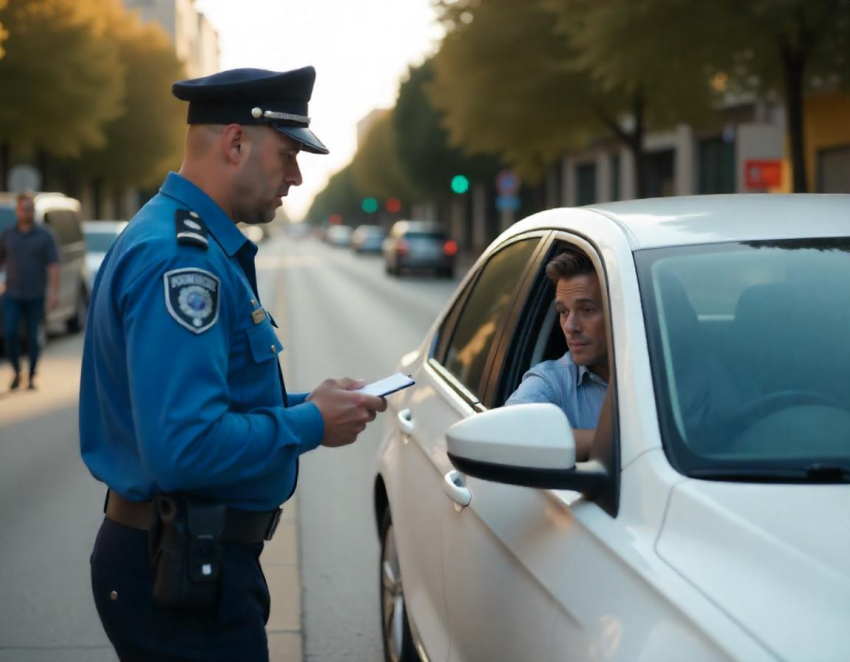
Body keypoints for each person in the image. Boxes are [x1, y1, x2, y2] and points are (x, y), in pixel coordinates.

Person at [79, 66, 387, 662]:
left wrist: (313, 405)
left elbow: (206, 409)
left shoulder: (184, 239)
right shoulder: (180, 260)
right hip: (178, 570)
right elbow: (185, 447)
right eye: (287, 154)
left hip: (188, 560)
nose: (297, 176)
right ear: (236, 142)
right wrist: (310, 425)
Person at [506, 250, 608, 461]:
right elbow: (508, 436)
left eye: (586, 310)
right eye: (563, 312)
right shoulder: (551, 381)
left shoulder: (674, 379)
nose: (570, 327)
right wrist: (618, 443)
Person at [0, 192, 60, 391]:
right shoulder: (8, 234)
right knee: (9, 332)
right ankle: (17, 370)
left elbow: (53, 266)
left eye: (30, 209)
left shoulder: (45, 235)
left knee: (33, 337)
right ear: (17, 211)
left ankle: (32, 374)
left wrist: (53, 293)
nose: (28, 212)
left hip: (35, 295)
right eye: (24, 209)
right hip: (12, 295)